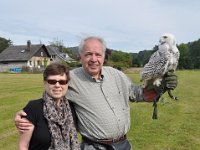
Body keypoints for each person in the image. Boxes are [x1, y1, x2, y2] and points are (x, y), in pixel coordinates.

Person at [15, 36, 178, 150]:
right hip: (94, 146)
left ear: (103, 57)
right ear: (80, 57)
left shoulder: (116, 74)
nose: (94, 59)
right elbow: (50, 96)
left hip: (124, 145)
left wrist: (161, 87)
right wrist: (25, 115)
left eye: (98, 54)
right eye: (88, 54)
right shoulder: (72, 78)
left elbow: (140, 94)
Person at [18, 63, 80, 150]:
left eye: (62, 82)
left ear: (67, 84)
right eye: (52, 81)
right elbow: (23, 146)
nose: (57, 85)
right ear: (45, 83)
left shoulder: (71, 108)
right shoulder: (33, 108)